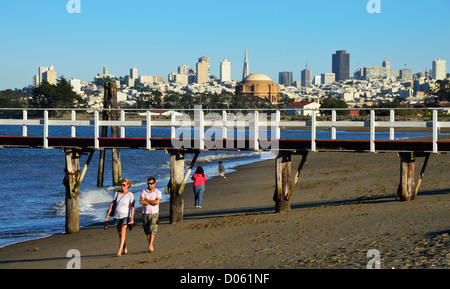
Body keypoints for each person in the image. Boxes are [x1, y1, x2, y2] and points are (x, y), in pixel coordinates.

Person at [105, 178, 135, 257]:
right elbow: (112, 204)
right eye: (121, 185)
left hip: (125, 216)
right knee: (120, 234)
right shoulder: (117, 193)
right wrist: (108, 214)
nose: (122, 186)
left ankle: (119, 251)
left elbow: (132, 207)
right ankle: (125, 248)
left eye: (124, 185)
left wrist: (132, 218)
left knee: (122, 232)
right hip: (116, 215)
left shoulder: (130, 195)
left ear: (128, 185)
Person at [140, 176, 162, 253]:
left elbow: (157, 202)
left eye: (151, 183)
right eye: (148, 183)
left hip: (154, 213)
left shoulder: (158, 192)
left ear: (154, 184)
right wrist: (152, 202)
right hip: (145, 213)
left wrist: (147, 200)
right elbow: (141, 202)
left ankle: (149, 246)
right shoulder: (144, 191)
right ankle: (151, 246)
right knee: (147, 231)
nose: (149, 185)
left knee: (152, 230)